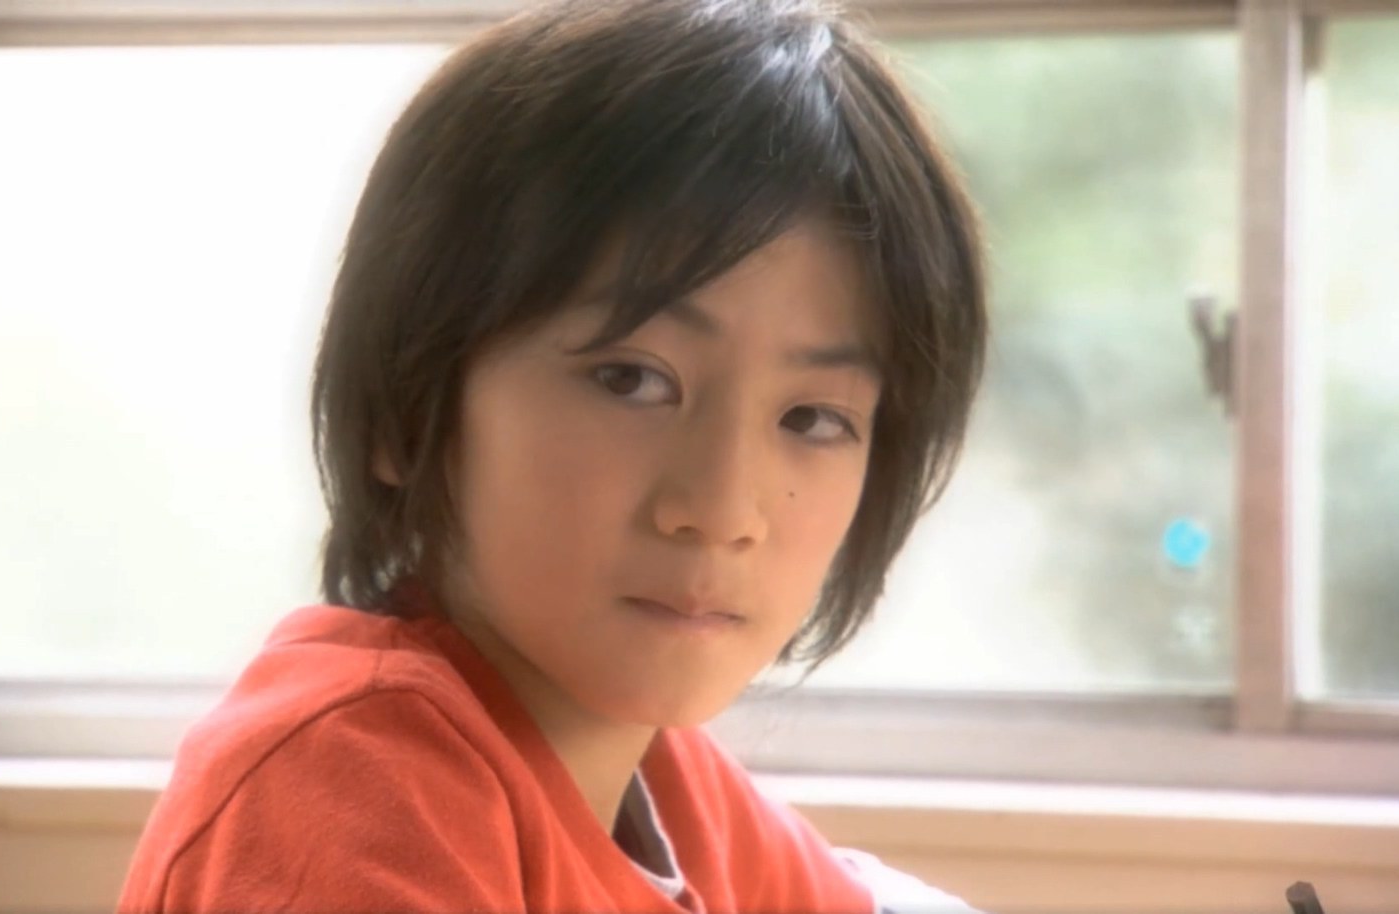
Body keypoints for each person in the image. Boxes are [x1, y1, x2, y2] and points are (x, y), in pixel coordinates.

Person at [117, 0, 988, 910]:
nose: (723, 510)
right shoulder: (346, 785)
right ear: (406, 409)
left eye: (811, 419)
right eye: (630, 380)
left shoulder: (669, 783)